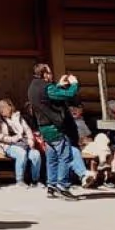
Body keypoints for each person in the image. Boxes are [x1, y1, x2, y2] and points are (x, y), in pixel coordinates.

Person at [26, 63, 82, 200]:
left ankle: (51, 185)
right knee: (65, 156)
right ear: (44, 74)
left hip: (43, 127)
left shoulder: (33, 86)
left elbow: (47, 97)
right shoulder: (46, 87)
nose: (51, 75)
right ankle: (62, 186)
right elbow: (67, 94)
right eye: (49, 73)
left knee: (52, 159)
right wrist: (74, 84)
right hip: (54, 127)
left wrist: (58, 85)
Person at [0, 98, 41, 187]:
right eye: (0, 107)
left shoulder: (18, 117)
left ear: (10, 107)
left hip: (23, 143)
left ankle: (35, 180)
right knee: (21, 153)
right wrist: (12, 139)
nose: (1, 109)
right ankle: (20, 180)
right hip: (7, 145)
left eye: (3, 107)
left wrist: (30, 139)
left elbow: (27, 129)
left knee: (36, 154)